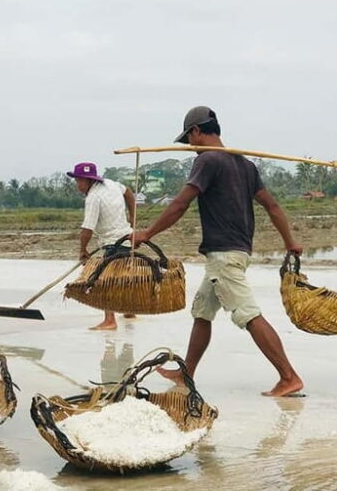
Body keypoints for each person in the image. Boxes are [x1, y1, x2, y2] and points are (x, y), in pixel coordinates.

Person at [132, 106, 304, 397]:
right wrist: (290, 241)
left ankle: (289, 377)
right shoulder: (245, 164)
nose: (191, 146)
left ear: (196, 131)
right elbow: (272, 206)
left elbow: (180, 204)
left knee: (248, 315)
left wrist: (147, 233)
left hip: (224, 255)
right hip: (233, 252)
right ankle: (186, 373)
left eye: (189, 140)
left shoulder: (207, 160)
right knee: (202, 312)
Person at [67, 162, 137, 330]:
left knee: (105, 281)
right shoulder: (111, 184)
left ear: (88, 180)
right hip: (127, 240)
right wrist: (133, 217)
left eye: (79, 181)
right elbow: (128, 193)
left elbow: (87, 228)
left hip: (113, 243)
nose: (78, 185)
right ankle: (129, 311)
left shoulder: (93, 198)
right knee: (123, 278)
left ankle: (110, 320)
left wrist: (83, 250)